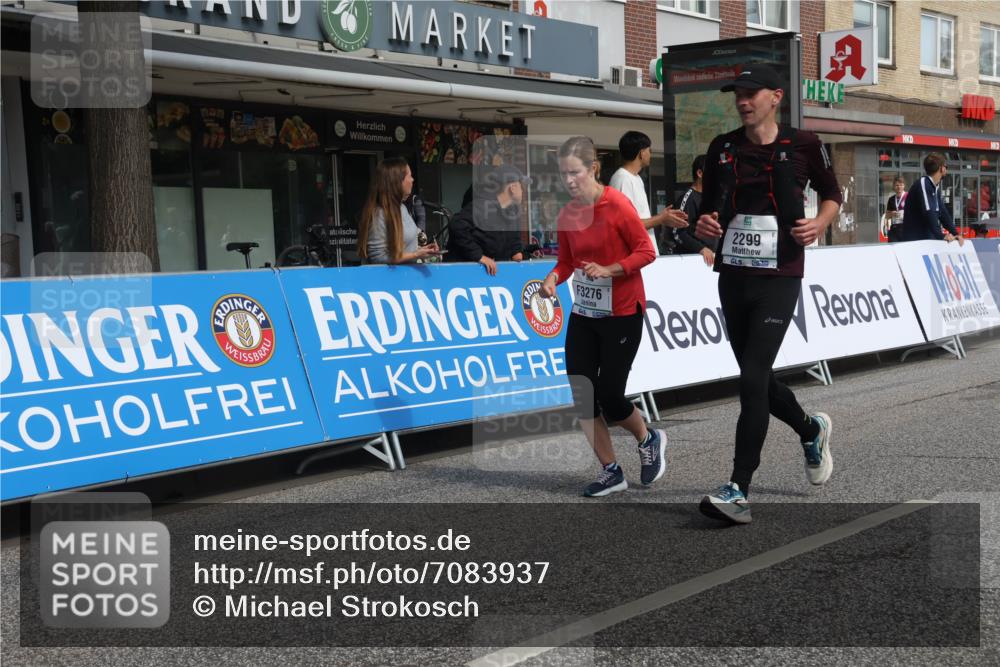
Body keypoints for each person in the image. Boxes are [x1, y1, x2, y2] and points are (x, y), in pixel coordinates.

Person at [694, 64, 842, 524]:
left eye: (751, 92)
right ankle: (810, 428)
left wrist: (821, 221)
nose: (742, 100)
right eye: (737, 93)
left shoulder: (803, 144)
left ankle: (738, 487)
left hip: (780, 277)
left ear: (775, 97)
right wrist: (705, 228)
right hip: (733, 275)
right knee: (755, 376)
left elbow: (832, 193)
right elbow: (709, 210)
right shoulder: (722, 148)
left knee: (753, 374)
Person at [539, 136, 665, 497]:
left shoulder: (618, 205)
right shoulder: (568, 214)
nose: (569, 181)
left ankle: (648, 436)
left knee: (611, 396)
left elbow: (646, 251)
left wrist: (611, 269)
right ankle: (611, 471)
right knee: (582, 394)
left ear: (593, 168)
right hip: (584, 314)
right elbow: (566, 261)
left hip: (623, 312)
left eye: (575, 173)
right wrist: (552, 278)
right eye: (563, 174)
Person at [609, 131, 689, 255]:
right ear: (641, 153)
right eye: (649, 150)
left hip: (643, 254)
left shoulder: (636, 178)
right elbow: (626, 226)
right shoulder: (622, 179)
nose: (650, 154)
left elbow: (637, 220)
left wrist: (662, 218)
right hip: (632, 257)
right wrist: (661, 218)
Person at [357, 157, 442, 264]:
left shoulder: (401, 208)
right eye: (409, 176)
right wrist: (415, 255)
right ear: (397, 182)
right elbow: (377, 258)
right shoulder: (379, 214)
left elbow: (407, 248)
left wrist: (424, 251)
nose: (412, 180)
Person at [447, 165, 526, 275]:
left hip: (491, 276)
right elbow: (456, 225)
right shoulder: (482, 206)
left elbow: (514, 243)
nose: (523, 191)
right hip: (465, 274)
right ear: (512, 188)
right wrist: (479, 256)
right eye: (521, 186)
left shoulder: (512, 213)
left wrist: (517, 253)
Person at [902, 153, 964, 246]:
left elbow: (943, 214)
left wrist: (956, 233)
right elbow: (929, 212)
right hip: (915, 242)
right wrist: (941, 236)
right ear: (942, 168)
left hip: (926, 241)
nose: (946, 169)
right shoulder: (923, 184)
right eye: (946, 166)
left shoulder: (935, 188)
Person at [671, 155, 716, 265]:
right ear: (700, 173)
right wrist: (701, 249)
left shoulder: (713, 197)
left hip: (713, 260)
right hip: (693, 261)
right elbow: (678, 233)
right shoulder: (687, 198)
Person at [881, 176, 907, 243]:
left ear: (904, 186)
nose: (899, 187)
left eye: (901, 185)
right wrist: (892, 214)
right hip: (894, 229)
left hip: (905, 228)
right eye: (897, 185)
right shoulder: (891, 199)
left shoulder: (908, 196)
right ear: (894, 187)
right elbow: (887, 216)